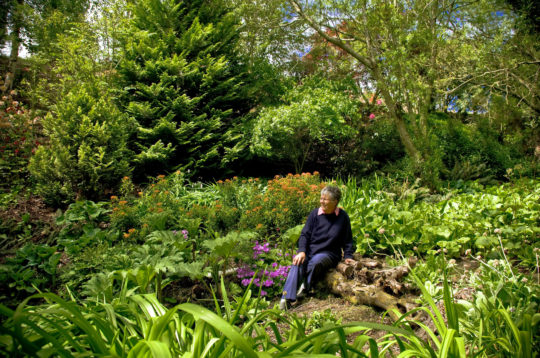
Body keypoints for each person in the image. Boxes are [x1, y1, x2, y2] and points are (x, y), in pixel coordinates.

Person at [279, 185, 356, 310]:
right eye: (321, 198)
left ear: (335, 201)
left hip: (329, 253)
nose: (322, 201)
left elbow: (347, 239)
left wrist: (348, 256)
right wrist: (302, 251)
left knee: (316, 262)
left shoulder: (343, 217)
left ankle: (305, 286)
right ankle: (285, 298)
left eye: (325, 199)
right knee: (298, 262)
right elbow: (305, 234)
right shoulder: (315, 214)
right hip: (311, 251)